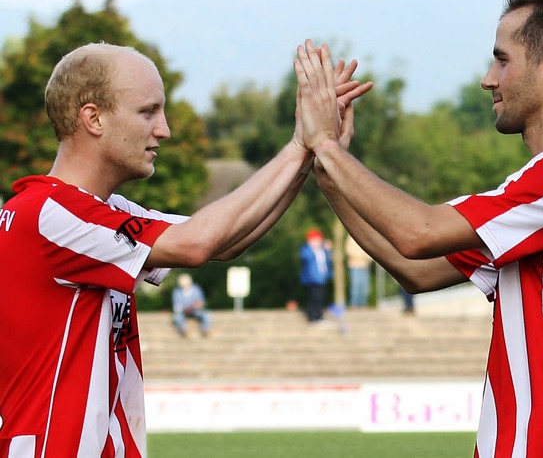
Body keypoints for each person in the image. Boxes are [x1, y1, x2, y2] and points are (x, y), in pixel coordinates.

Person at [294, 0, 543, 457]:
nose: (488, 79)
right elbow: (416, 269)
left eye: (502, 59)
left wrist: (327, 145)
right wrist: (330, 173)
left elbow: (419, 233)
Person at [0, 42, 371, 457]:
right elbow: (197, 243)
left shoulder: (94, 210)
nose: (164, 129)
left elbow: (223, 240)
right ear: (93, 118)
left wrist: (313, 153)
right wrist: (303, 144)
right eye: (148, 112)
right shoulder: (51, 213)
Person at [299, 228, 333, 323]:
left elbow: (328, 262)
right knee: (313, 298)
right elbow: (305, 258)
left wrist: (328, 250)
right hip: (311, 279)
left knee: (321, 298)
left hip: (322, 278)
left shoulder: (323, 251)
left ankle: (319, 315)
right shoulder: (306, 250)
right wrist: (313, 248)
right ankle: (313, 317)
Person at [172, 273, 211, 337]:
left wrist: (197, 305)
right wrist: (184, 308)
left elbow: (201, 302)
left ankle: (205, 329)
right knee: (177, 317)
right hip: (183, 312)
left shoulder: (196, 289)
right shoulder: (177, 292)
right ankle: (184, 330)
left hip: (196, 310)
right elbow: (176, 307)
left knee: (207, 314)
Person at [345, 233, 373, 308]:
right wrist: (362, 256)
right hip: (355, 265)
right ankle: (354, 304)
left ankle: (363, 304)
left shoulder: (367, 236)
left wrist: (368, 258)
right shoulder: (351, 237)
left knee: (365, 287)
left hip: (365, 265)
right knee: (356, 286)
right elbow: (349, 250)